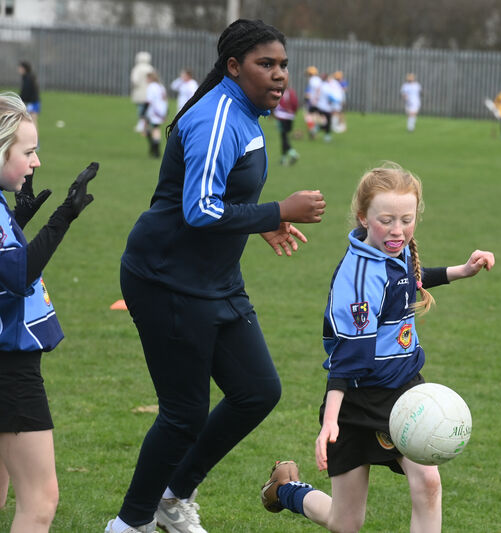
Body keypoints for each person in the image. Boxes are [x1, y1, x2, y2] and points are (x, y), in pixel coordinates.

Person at [105, 19, 326, 533]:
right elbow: (199, 210)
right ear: (233, 67)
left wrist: (258, 223)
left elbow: (222, 199)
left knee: (257, 391)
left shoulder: (245, 112)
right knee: (183, 414)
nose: (279, 76)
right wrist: (275, 211)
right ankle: (128, 524)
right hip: (167, 280)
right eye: (265, 65)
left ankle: (172, 497)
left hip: (214, 280)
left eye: (283, 66)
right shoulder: (219, 116)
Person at [257, 163, 495, 532]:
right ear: (363, 218)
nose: (397, 230)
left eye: (406, 219)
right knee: (346, 523)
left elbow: (405, 283)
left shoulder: (391, 249)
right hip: (356, 400)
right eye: (387, 220)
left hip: (405, 391)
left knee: (429, 484)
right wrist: (331, 420)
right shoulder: (358, 278)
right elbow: (350, 357)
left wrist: (460, 271)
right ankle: (286, 490)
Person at [0, 92, 99, 533]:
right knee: (39, 503)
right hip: (9, 367)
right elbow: (17, 275)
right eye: (27, 151)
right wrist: (64, 216)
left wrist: (17, 224)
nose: (36, 161)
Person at [143, 71, 168, 158]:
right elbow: (165, 99)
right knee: (153, 129)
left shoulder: (151, 87)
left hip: (154, 111)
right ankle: (153, 149)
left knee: (153, 129)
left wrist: (143, 113)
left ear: (150, 78)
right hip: (161, 110)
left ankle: (155, 150)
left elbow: (149, 101)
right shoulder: (161, 86)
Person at [274, 83, 299, 165]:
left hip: (282, 117)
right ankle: (283, 159)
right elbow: (295, 103)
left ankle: (293, 153)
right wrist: (293, 112)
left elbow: (277, 104)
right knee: (285, 136)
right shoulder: (291, 92)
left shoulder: (279, 92)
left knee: (284, 138)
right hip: (290, 118)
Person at [130, 51, 155, 133]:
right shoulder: (150, 68)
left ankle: (141, 124)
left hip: (139, 91)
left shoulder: (137, 68)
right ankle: (147, 123)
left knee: (141, 107)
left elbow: (135, 80)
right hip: (149, 91)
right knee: (148, 108)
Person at [17, 61, 40, 127]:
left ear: (24, 68)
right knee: (29, 121)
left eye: (20, 68)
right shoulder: (26, 77)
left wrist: (21, 99)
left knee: (32, 121)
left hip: (32, 103)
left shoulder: (29, 78)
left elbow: (27, 91)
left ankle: (35, 137)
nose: (19, 69)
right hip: (30, 102)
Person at [304, 65, 322, 139]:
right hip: (317, 101)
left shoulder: (313, 80)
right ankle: (314, 130)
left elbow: (317, 90)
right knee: (315, 116)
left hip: (312, 101)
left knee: (309, 116)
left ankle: (313, 130)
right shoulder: (318, 79)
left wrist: (313, 99)